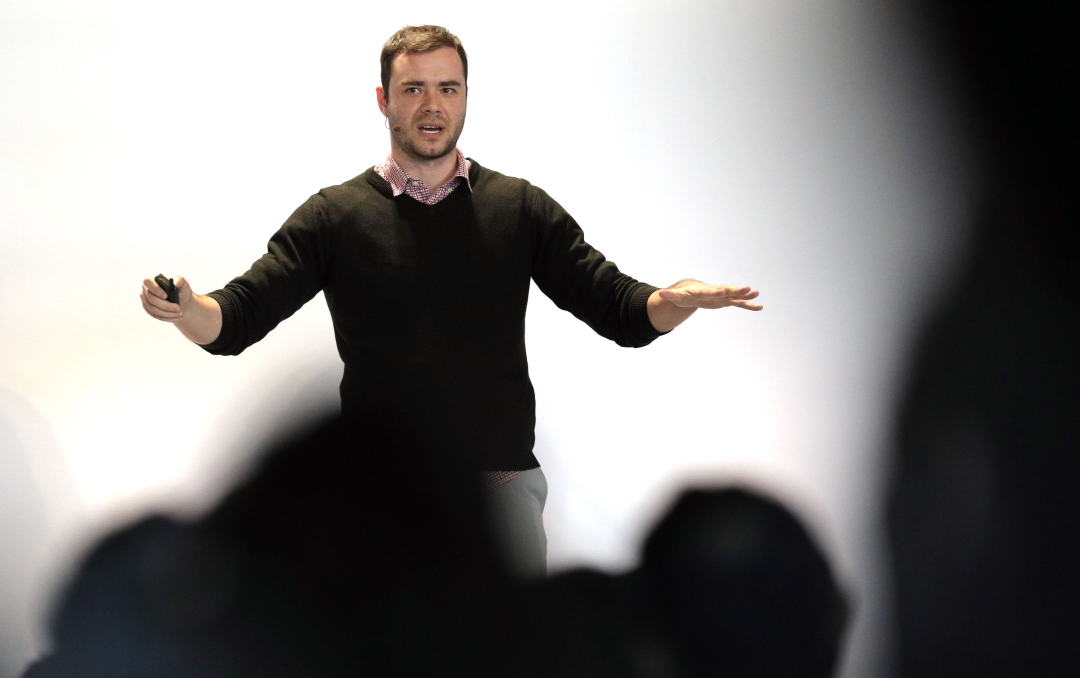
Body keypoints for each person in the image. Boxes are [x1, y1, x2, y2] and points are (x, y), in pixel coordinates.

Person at [139, 25, 762, 578]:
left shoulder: (518, 208)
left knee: (507, 654)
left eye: (448, 88)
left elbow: (618, 306)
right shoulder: (335, 216)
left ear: (466, 97)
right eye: (413, 89)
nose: (432, 104)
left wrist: (671, 300)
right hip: (378, 495)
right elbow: (239, 316)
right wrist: (187, 308)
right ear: (383, 101)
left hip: (500, 488)